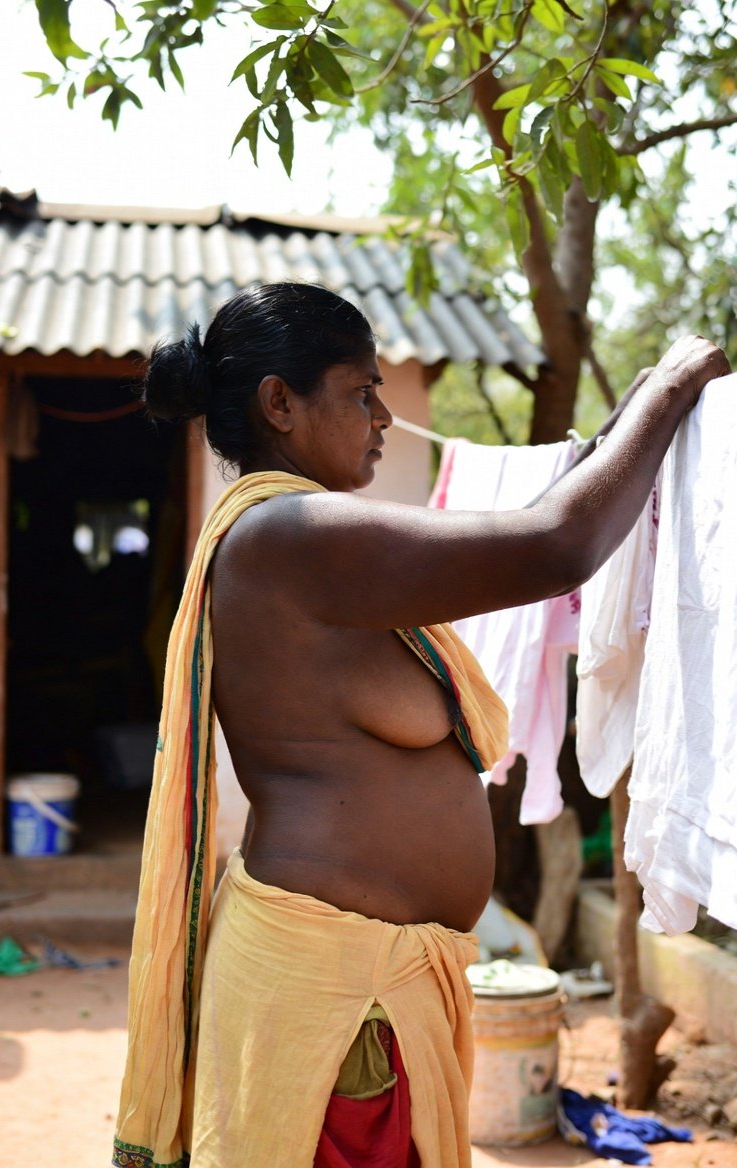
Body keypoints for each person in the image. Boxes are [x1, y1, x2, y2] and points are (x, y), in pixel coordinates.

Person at [112, 282, 729, 1168]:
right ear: (279, 403)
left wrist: (631, 418)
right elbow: (552, 544)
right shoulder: (290, 534)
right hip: (337, 998)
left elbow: (541, 519)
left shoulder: (305, 541)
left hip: (364, 989)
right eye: (362, 391)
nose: (385, 416)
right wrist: (672, 389)